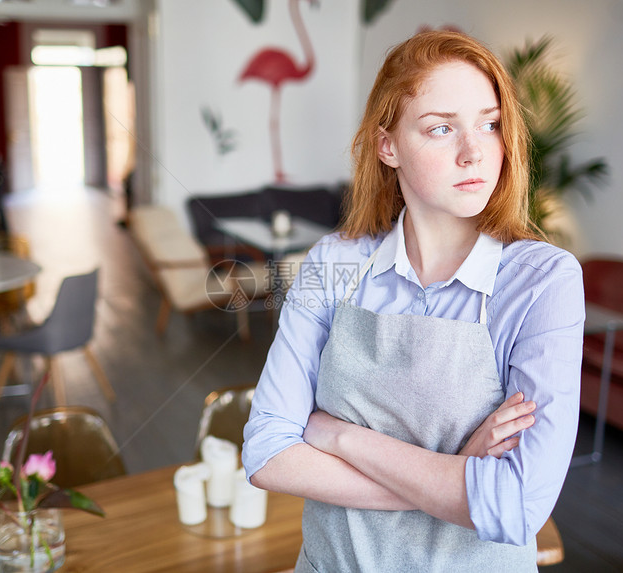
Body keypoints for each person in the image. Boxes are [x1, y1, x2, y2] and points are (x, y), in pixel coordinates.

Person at [242, 29, 585, 572]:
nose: (474, 151)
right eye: (441, 128)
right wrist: (455, 479)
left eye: (490, 124)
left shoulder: (543, 280)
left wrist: (335, 434)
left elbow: (516, 505)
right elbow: (266, 453)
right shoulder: (334, 262)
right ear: (388, 146)